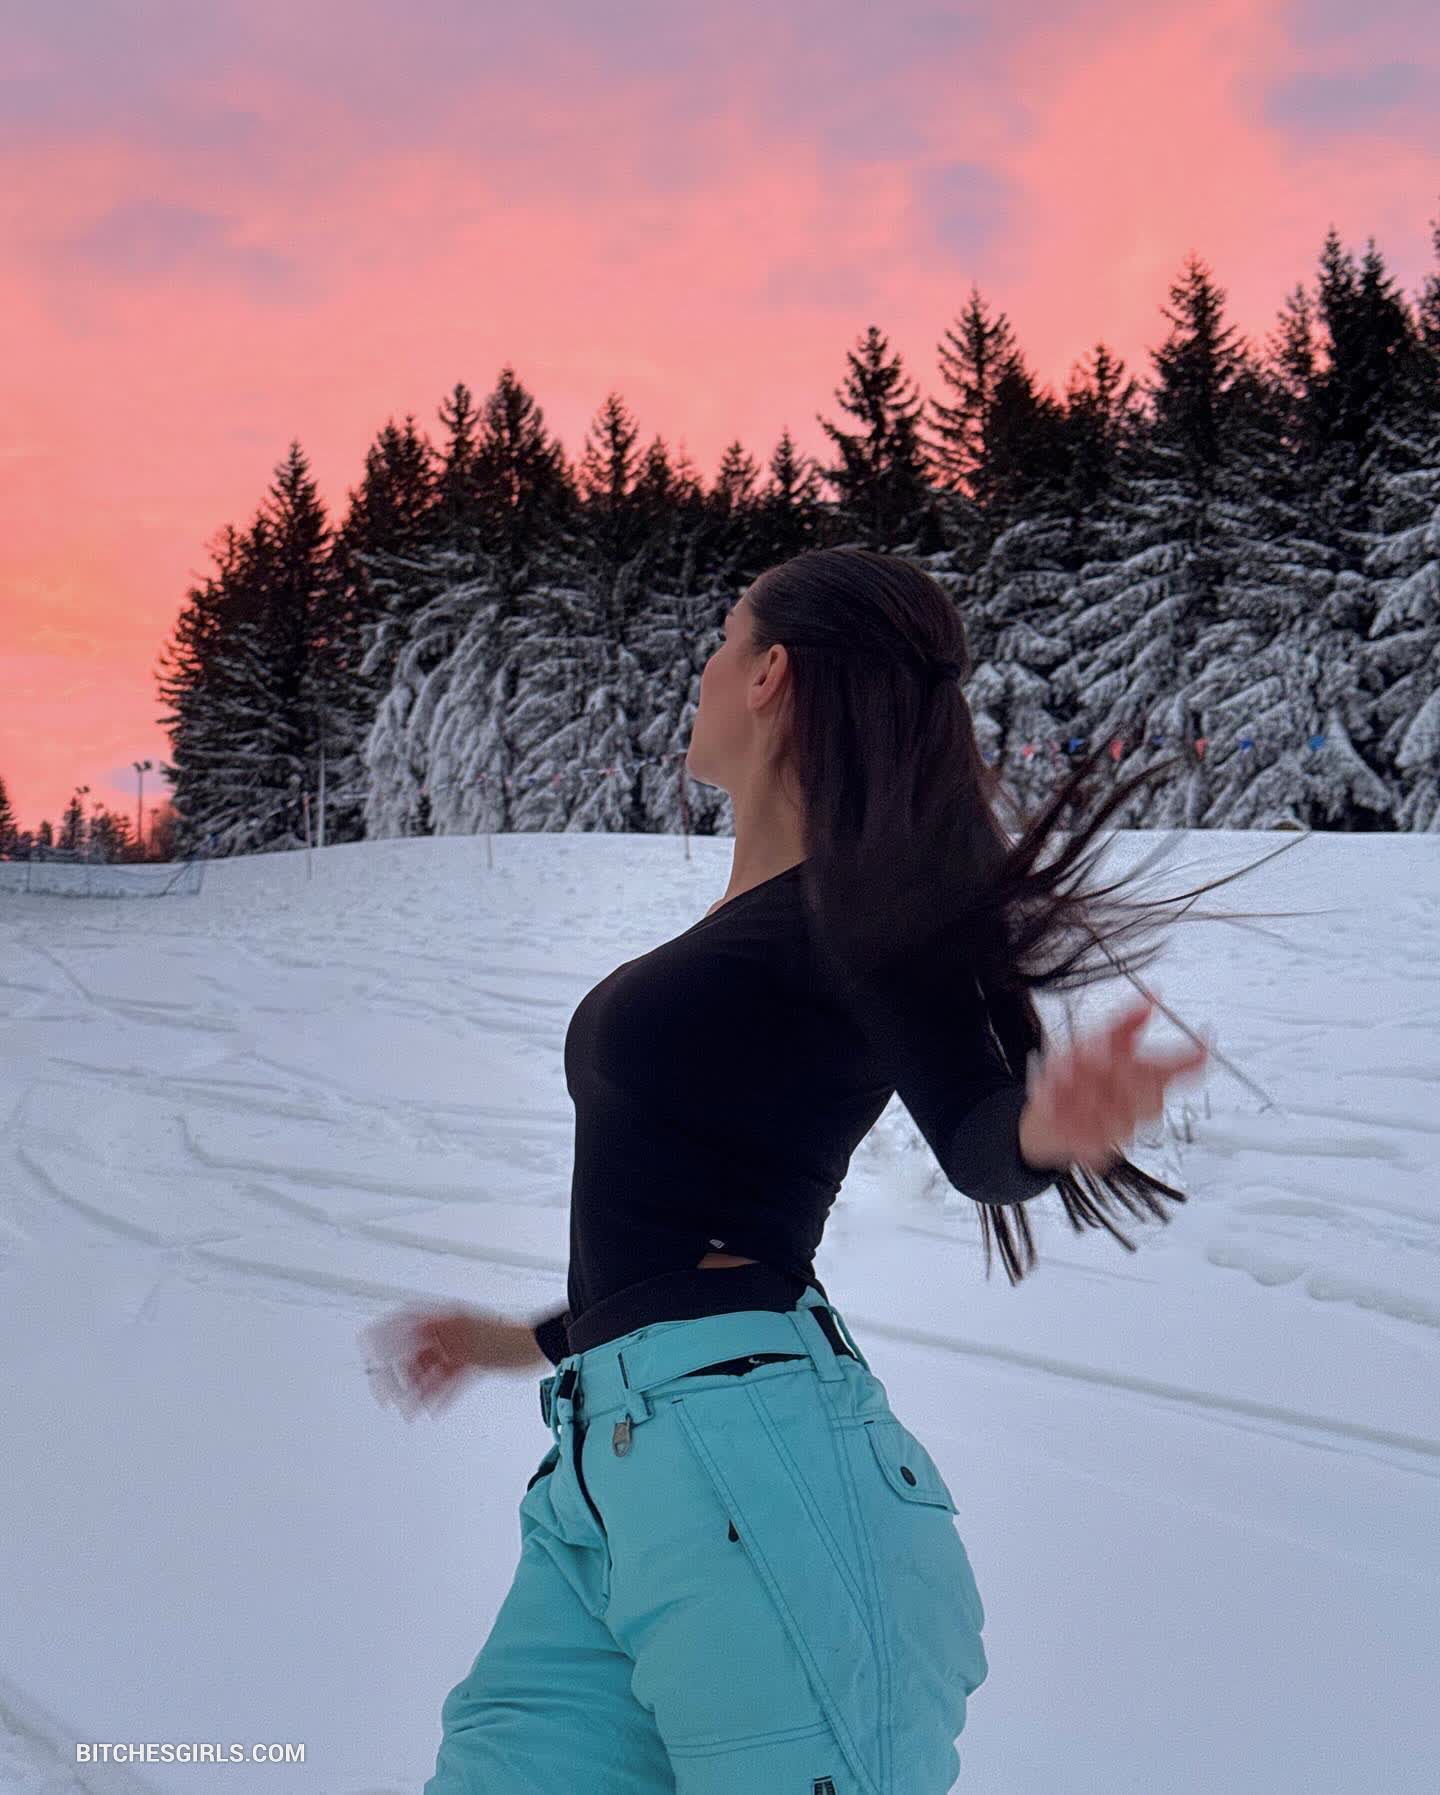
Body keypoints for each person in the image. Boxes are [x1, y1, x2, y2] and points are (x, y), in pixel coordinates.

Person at [364, 548, 1259, 1794]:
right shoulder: (756, 930)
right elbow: (683, 1236)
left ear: (770, 673)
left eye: (722, 640)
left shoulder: (862, 916)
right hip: (607, 1477)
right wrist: (515, 1344)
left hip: (754, 1465)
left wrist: (1046, 1130)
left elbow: (977, 1134)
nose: (703, 671)